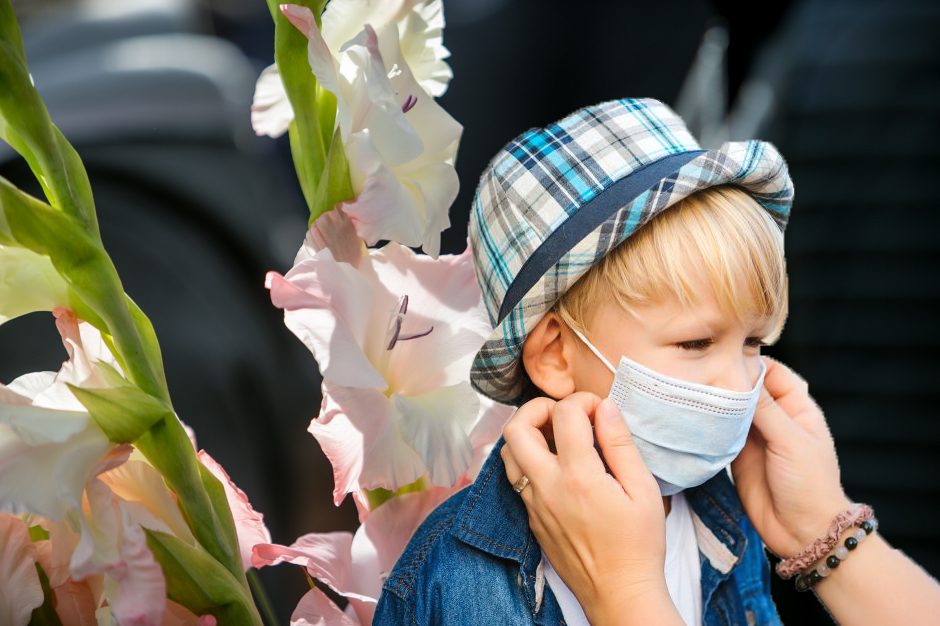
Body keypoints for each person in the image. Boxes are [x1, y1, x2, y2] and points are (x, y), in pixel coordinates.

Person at [373, 97, 796, 625]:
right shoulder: (458, 579)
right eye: (695, 343)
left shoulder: (726, 520)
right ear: (555, 355)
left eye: (754, 342)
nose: (739, 382)